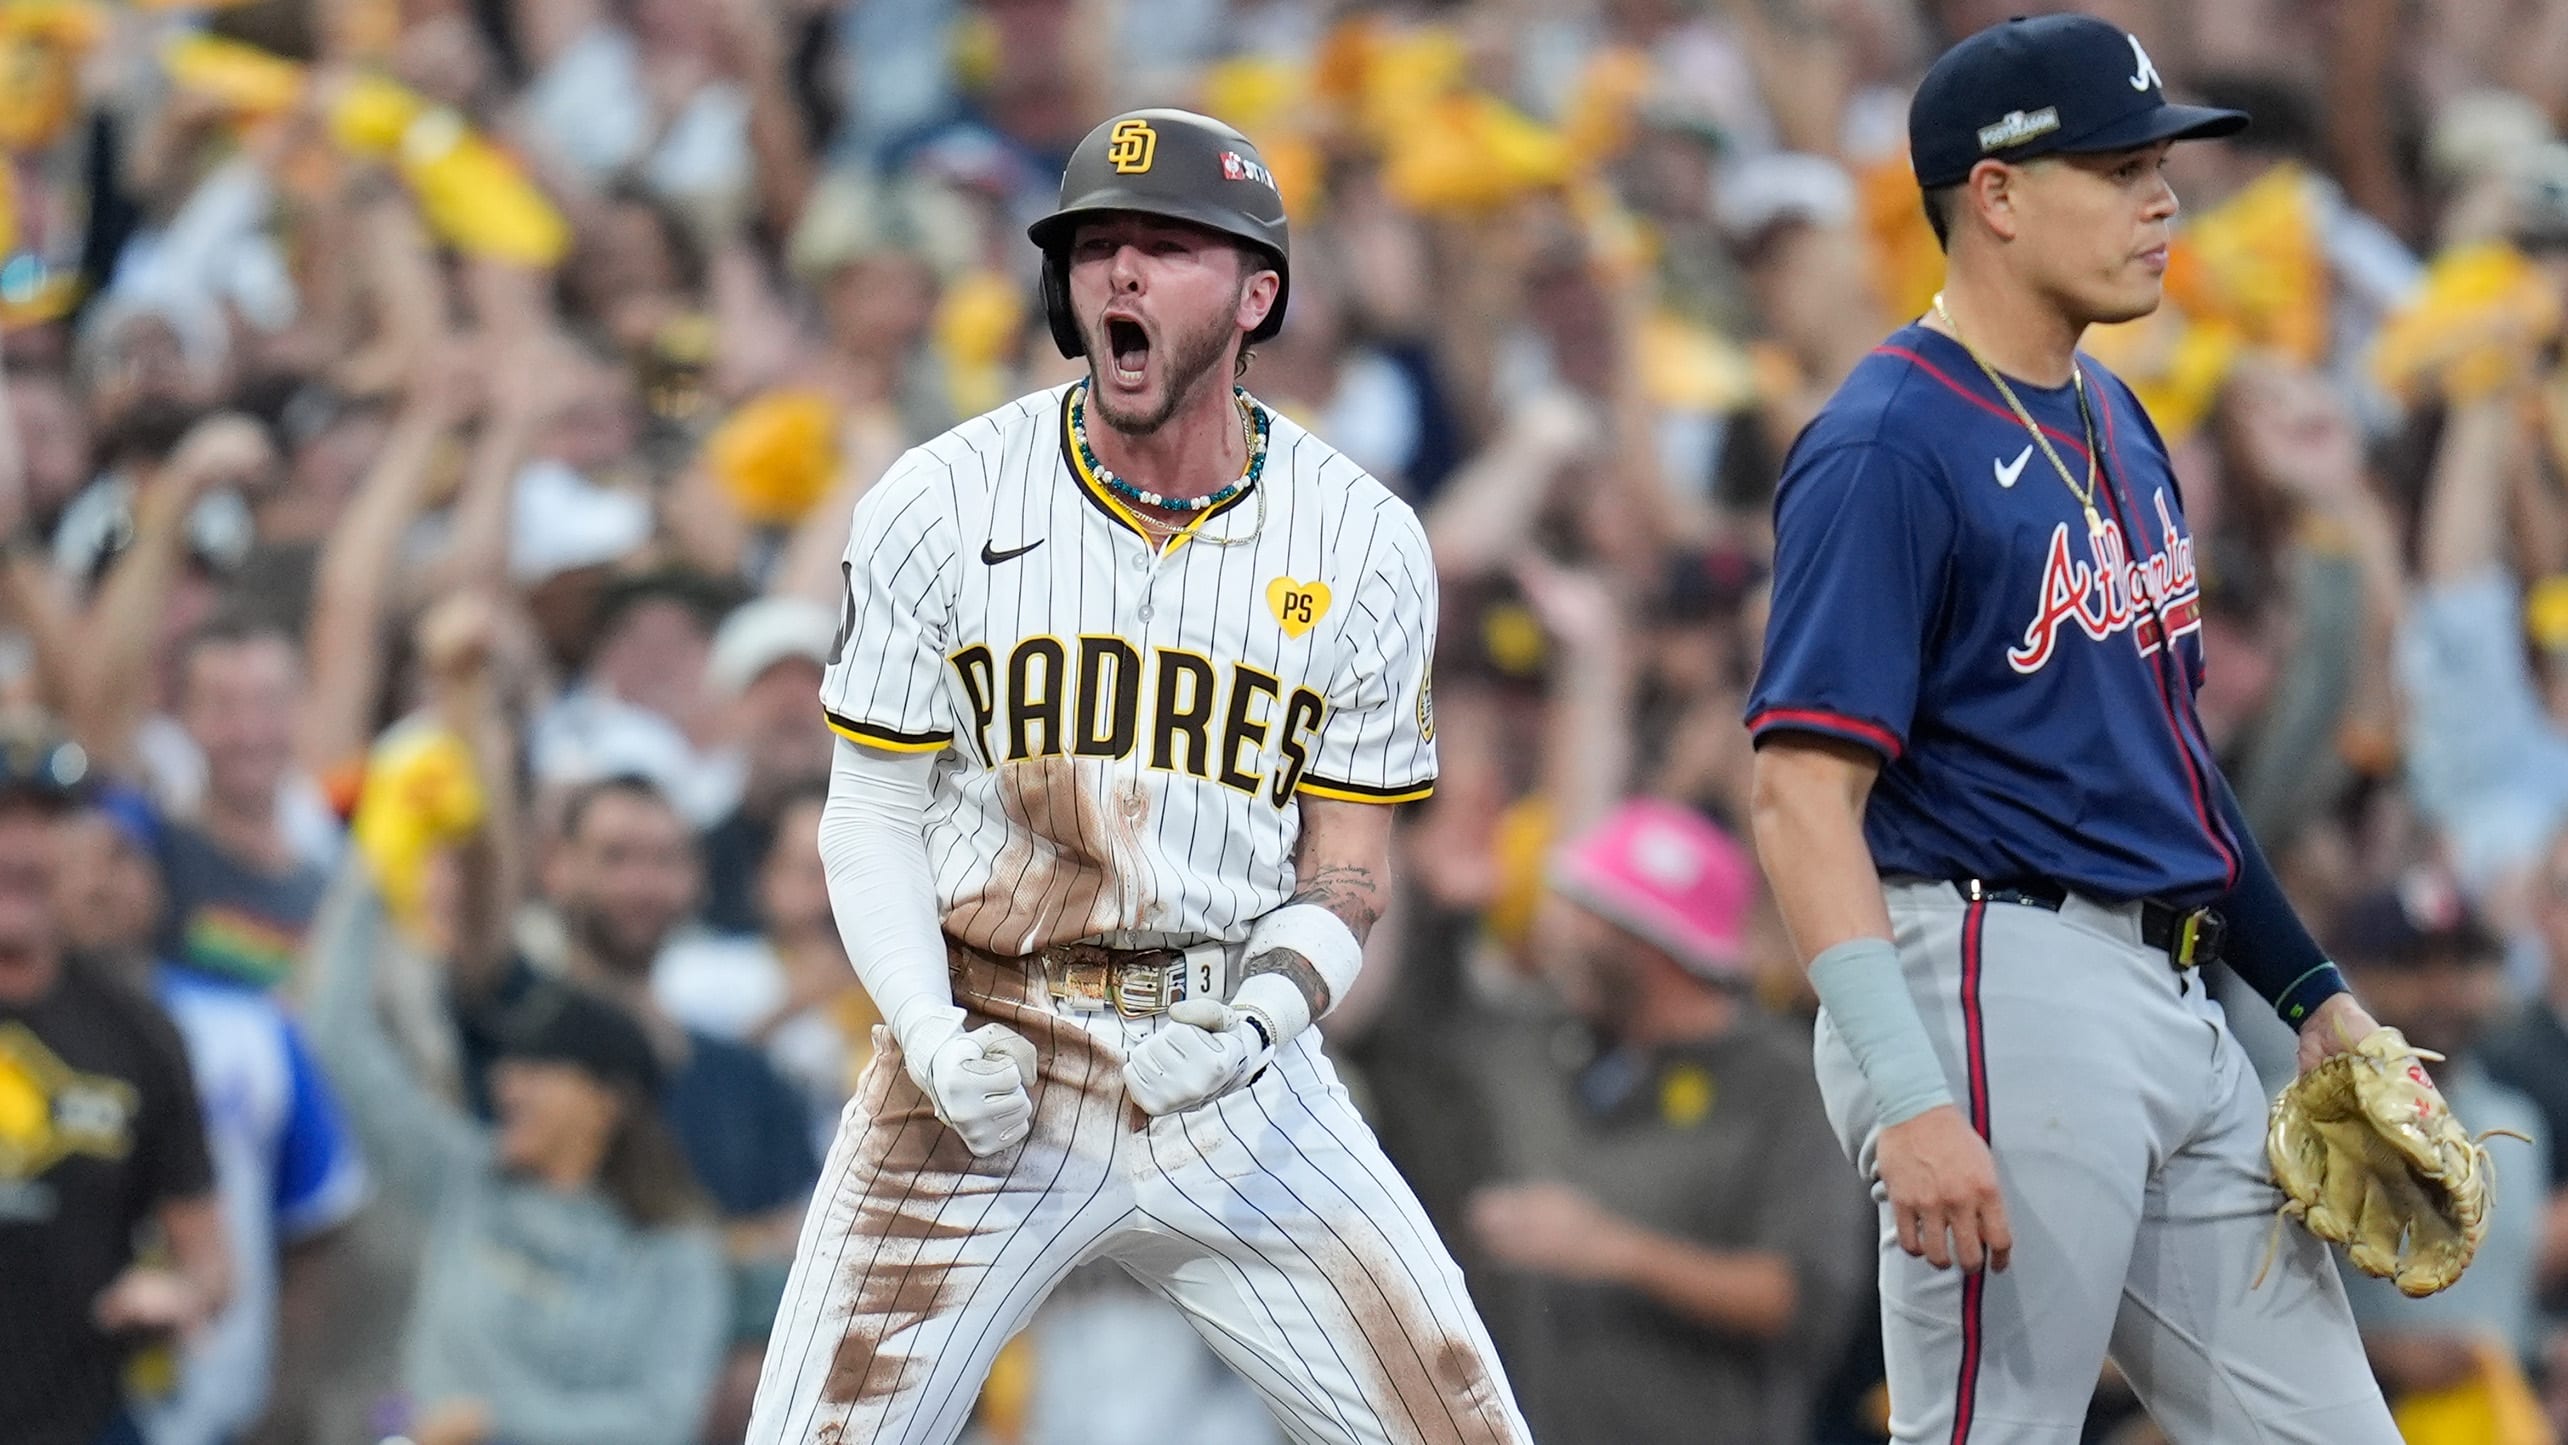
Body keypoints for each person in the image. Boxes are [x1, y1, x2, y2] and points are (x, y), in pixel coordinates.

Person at [746, 108, 1532, 1445]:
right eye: (1094, 246)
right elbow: (869, 812)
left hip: (1232, 1064)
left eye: (1165, 247)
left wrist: (1264, 1021)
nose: (1119, 273)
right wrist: (929, 1033)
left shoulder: (1364, 538)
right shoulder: (940, 498)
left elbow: (1347, 869)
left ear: (1256, 294)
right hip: (988, 1044)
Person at [1743, 16, 2407, 1443]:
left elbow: (2169, 767)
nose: (2163, 200)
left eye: (2159, 164)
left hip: (2171, 998)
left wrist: (2316, 997)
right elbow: (1800, 797)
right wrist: (1910, 1096)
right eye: (2118, 167)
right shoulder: (1884, 444)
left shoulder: (2112, 413)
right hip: (1996, 979)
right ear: (1995, 194)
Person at [303, 600, 727, 1445]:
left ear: (607, 1098)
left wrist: (498, 1424)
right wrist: (373, 866)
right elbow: (339, 1036)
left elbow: (660, 1421)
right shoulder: (467, 1180)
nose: (507, 1082)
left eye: (539, 1070)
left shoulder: (673, 1254)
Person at [1461, 799, 1871, 1445]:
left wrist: (1616, 1250)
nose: (1563, 936)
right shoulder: (1554, 1046)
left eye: (1588, 914)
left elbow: (1804, 1298)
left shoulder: (1787, 1086)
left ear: (1651, 944)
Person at [55, 785, 367, 1445]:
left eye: (121, 857)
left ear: (162, 882)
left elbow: (315, 1216)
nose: (98, 883)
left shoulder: (246, 1026)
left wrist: (283, 1398)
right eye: (75, 858)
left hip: (220, 1406)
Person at [0, 722, 230, 1445]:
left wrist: (182, 1291)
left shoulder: (140, 1034)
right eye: (3, 819)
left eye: (49, 820)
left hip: (79, 1417)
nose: (23, 849)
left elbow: (209, 1255)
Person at [2326, 878, 2548, 1411]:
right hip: (2352, 1417)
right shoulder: (2305, 1120)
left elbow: (2507, 1300)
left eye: (2462, 963)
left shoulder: (2517, 1125)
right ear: (2352, 975)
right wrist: (2380, 1353)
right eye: (2412, 964)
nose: (2443, 988)